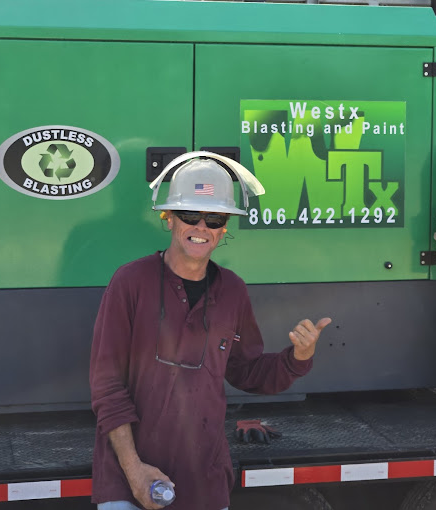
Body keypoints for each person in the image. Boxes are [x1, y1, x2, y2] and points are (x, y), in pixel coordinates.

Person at [90, 152, 331, 510]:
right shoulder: (130, 282)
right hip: (129, 483)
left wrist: (299, 358)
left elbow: (246, 370)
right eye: (190, 215)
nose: (201, 227)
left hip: (204, 483)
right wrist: (134, 471)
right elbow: (106, 387)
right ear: (168, 218)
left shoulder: (232, 290)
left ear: (224, 227)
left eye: (215, 218)